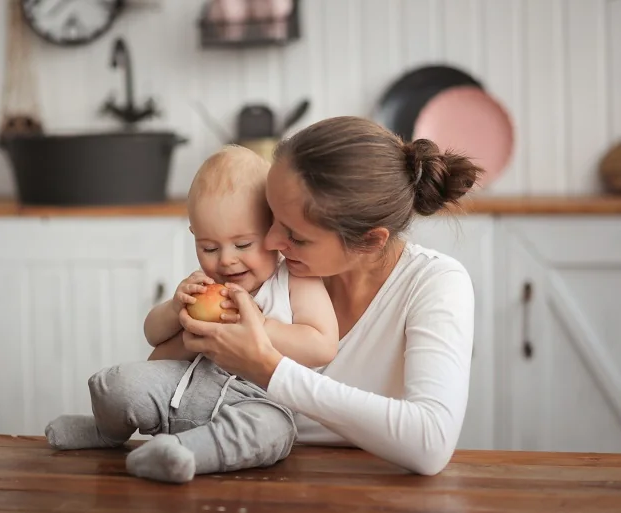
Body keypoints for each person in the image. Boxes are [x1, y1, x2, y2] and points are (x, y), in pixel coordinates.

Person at [173, 116, 482, 476]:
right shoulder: (265, 274)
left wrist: (268, 369)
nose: (271, 242)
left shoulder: (434, 283)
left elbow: (431, 442)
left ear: (369, 240)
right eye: (271, 216)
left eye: (296, 235)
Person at [44, 145, 339, 483]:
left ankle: (184, 453)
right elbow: (153, 336)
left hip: (257, 401)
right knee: (116, 383)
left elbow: (322, 345)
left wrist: (261, 326)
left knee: (269, 432)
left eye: (243, 245)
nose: (225, 260)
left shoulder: (295, 281)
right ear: (195, 238)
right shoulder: (205, 285)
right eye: (209, 248)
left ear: (274, 230)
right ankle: (105, 432)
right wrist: (175, 309)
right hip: (183, 390)